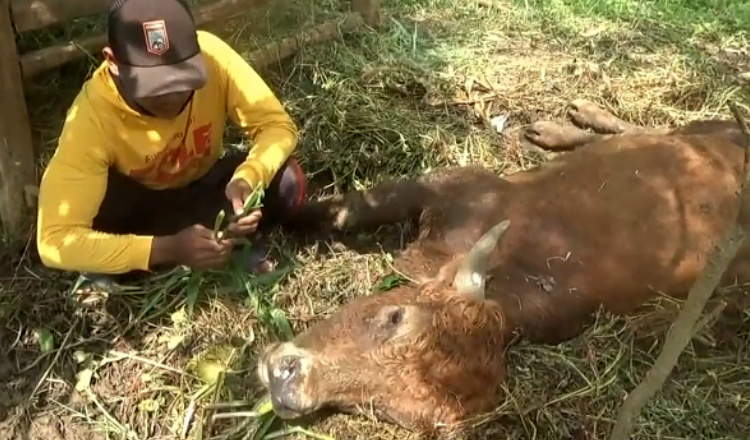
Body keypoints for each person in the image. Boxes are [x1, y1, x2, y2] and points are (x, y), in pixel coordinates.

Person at [36, 0, 306, 295]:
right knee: (102, 213)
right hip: (139, 215)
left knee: (287, 180)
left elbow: (277, 126)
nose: (173, 95)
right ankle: (169, 256)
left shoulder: (213, 56)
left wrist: (248, 178)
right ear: (113, 62)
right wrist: (167, 249)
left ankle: (217, 241)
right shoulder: (91, 118)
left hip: (201, 190)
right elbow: (53, 240)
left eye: (184, 78)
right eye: (153, 86)